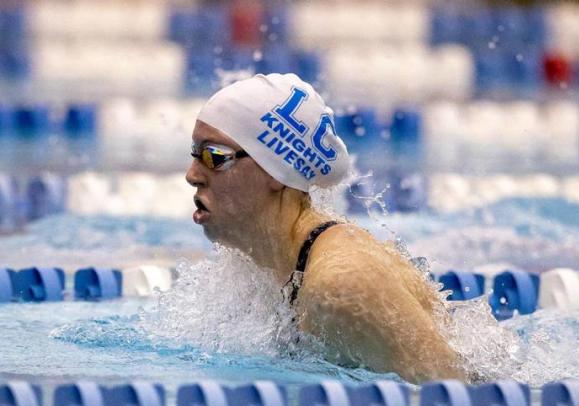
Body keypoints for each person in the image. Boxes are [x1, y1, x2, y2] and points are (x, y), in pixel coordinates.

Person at [186, 72, 482, 384]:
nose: (192, 175)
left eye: (214, 156)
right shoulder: (265, 259)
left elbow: (454, 398)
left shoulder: (340, 288)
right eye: (195, 153)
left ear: (276, 170)